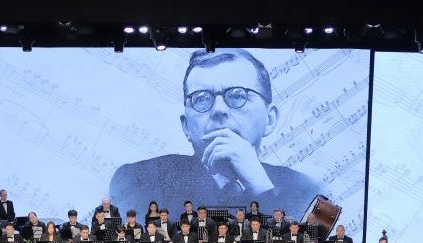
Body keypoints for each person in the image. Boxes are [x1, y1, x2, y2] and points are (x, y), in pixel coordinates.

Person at [109, 49, 323, 216]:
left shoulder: (305, 190)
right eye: (202, 98)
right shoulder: (138, 181)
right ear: (186, 126)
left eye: (237, 95)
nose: (219, 110)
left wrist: (260, 186)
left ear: (270, 119)